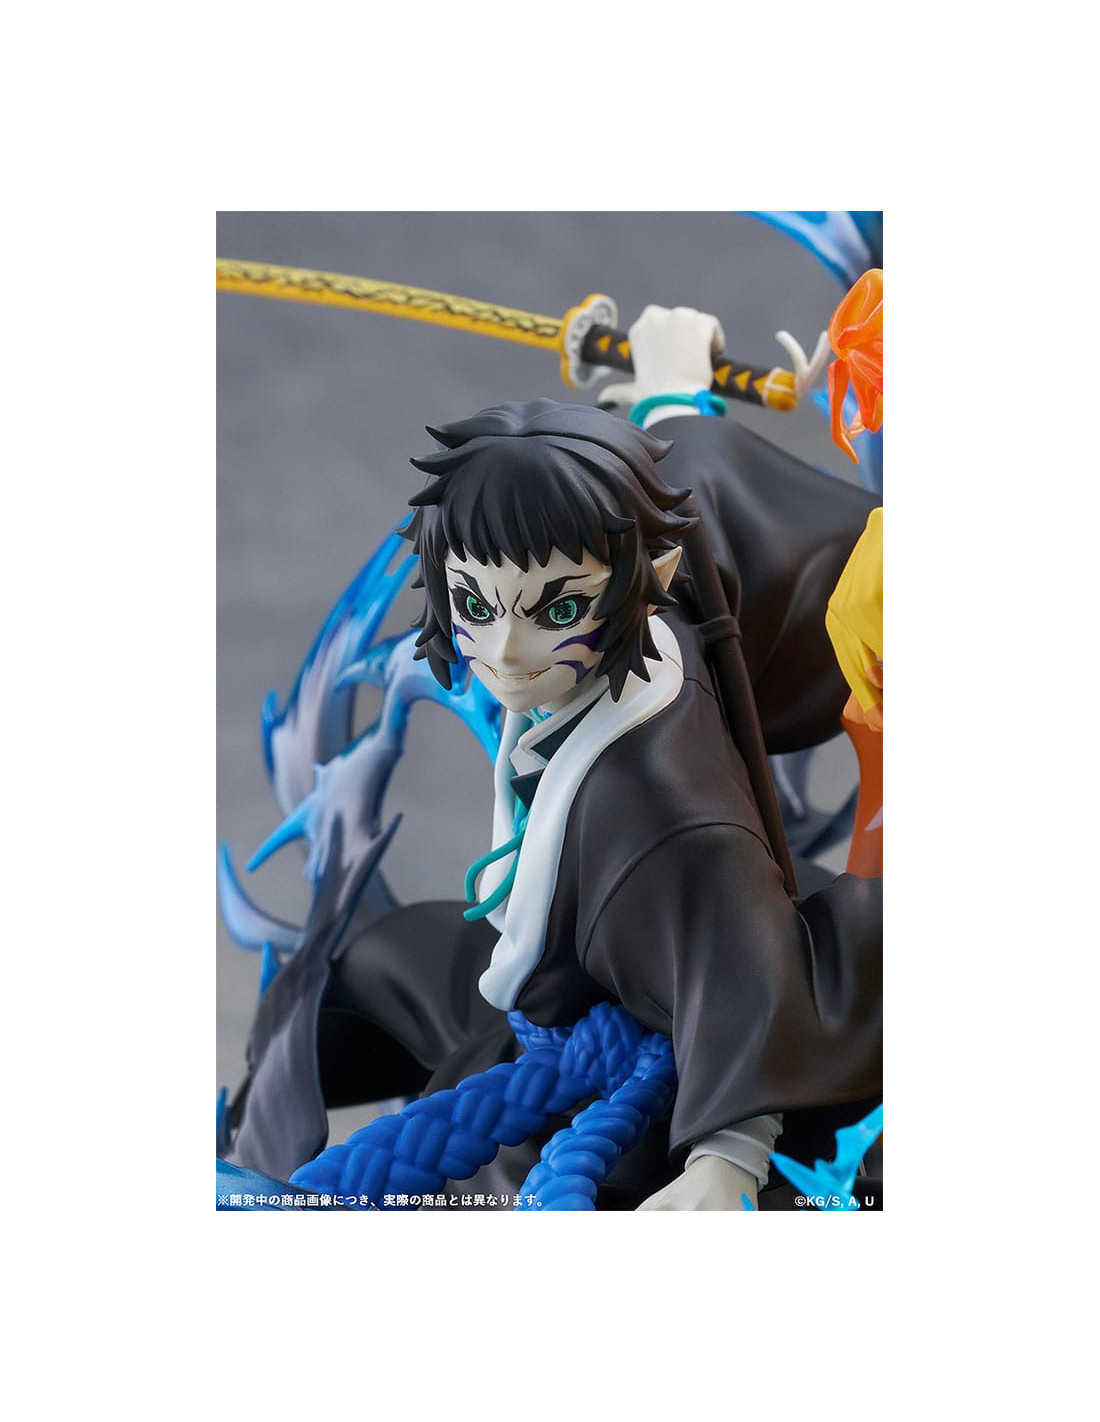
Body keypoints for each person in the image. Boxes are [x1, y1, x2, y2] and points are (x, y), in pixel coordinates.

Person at [224, 309, 882, 1209]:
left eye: (557, 610)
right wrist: (670, 395)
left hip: (701, 1043)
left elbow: (741, 961)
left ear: (645, 582)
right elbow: (699, 497)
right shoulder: (645, 592)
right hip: (572, 979)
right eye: (475, 603)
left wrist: (727, 1160)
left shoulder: (665, 804)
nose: (507, 651)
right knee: (365, 971)